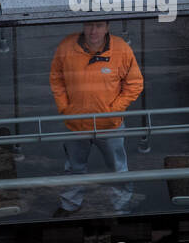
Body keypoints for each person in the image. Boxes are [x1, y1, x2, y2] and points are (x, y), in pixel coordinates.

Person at [48, 21, 144, 216]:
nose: (93, 31)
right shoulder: (66, 46)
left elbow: (135, 84)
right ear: (82, 26)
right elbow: (56, 78)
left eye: (99, 26)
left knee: (118, 168)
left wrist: (113, 111)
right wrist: (65, 108)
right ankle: (70, 204)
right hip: (75, 124)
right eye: (89, 25)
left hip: (110, 126)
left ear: (107, 27)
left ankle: (121, 206)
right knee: (74, 167)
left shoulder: (121, 49)